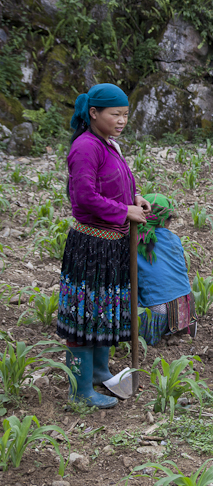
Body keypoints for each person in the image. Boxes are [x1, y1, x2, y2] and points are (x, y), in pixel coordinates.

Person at [58, 83, 150, 408]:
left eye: (125, 114)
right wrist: (125, 210)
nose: (122, 120)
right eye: (116, 114)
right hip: (91, 245)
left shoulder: (108, 144)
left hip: (111, 244)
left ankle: (98, 374)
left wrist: (134, 198)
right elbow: (84, 197)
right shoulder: (86, 147)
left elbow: (120, 181)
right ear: (94, 113)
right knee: (85, 315)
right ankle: (80, 391)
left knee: (102, 312)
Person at [136, 193, 198, 347]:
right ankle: (184, 327)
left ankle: (152, 334)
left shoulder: (135, 241)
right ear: (166, 220)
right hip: (185, 306)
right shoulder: (175, 240)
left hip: (158, 313)